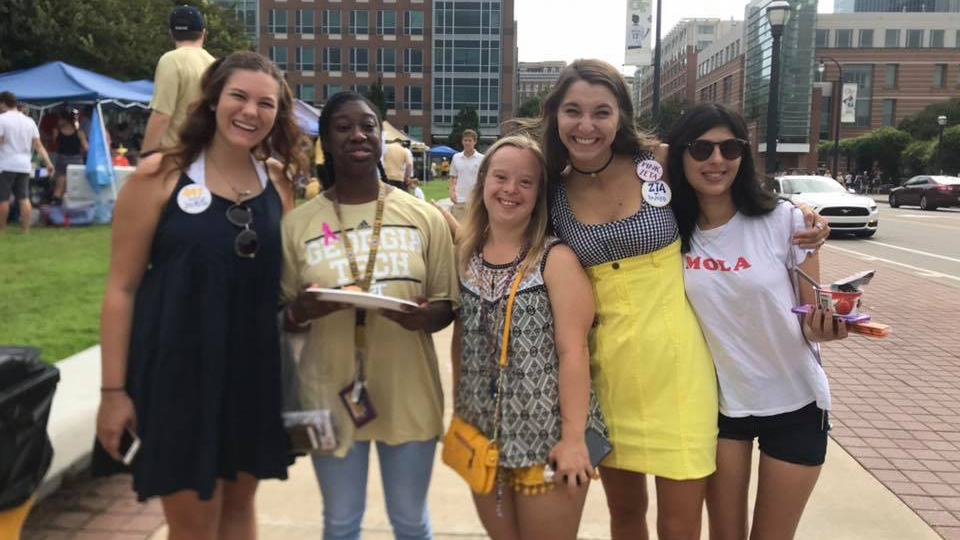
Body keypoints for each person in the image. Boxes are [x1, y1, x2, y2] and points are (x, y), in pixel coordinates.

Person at [513, 59, 830, 540]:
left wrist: (799, 210)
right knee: (626, 516)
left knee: (680, 525)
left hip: (681, 373)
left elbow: (723, 177)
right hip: (607, 373)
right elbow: (505, 225)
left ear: (620, 114)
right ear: (554, 115)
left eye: (602, 111)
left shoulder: (656, 162)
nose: (586, 125)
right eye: (573, 111)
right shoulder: (551, 191)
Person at [95, 51, 303, 540]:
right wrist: (112, 393)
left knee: (239, 511)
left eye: (265, 103)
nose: (250, 112)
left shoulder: (278, 183)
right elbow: (120, 289)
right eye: (239, 97)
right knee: (192, 524)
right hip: (177, 375)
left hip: (253, 372)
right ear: (212, 101)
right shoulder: (158, 178)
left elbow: (304, 260)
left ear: (277, 115)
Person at [281, 91, 458, 540]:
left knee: (410, 522)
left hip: (408, 387)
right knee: (340, 523)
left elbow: (446, 303)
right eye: (343, 127)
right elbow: (283, 316)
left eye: (368, 125)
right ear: (325, 141)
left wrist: (429, 316)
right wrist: (302, 308)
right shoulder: (298, 224)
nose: (358, 134)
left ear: (382, 137)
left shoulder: (424, 217)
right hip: (327, 389)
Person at [667, 103, 847, 540]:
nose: (716, 160)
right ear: (680, 155)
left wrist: (825, 326)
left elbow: (809, 317)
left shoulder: (787, 221)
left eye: (730, 148)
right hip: (720, 407)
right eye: (701, 148)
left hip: (795, 404)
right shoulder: (668, 230)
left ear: (744, 156)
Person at [451, 134, 608, 540]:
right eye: (501, 177)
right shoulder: (465, 254)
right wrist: (460, 415)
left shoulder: (556, 260)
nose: (510, 190)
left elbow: (574, 353)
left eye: (526, 182)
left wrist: (574, 440)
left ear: (540, 194)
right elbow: (461, 343)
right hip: (485, 439)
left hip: (550, 440)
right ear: (483, 181)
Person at [141, 5, 216, 153]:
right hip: (205, 156)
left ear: (171, 33)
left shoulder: (171, 60)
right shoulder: (214, 64)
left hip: (176, 156)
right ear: (203, 33)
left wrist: (145, 158)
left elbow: (161, 115)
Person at [0, 91, 55, 232]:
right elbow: (38, 145)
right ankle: (25, 229)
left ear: (3, 103)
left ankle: (2, 228)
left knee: (3, 198)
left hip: (6, 164)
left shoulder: (2, 119)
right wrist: (48, 163)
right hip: (24, 165)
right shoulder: (29, 121)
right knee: (24, 198)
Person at [50, 108, 88, 204]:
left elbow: (56, 142)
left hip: (61, 159)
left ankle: (57, 197)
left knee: (61, 177)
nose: (58, 121)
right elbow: (86, 148)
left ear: (65, 120)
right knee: (73, 181)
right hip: (76, 160)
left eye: (60, 119)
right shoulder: (80, 133)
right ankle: (67, 199)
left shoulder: (56, 131)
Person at [449, 129, 483, 221]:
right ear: (462, 141)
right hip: (459, 199)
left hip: (475, 200)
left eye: (470, 140)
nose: (467, 143)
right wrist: (452, 191)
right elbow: (453, 176)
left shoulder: (482, 159)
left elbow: (485, 178)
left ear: (475, 142)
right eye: (465, 140)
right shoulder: (456, 157)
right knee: (459, 229)